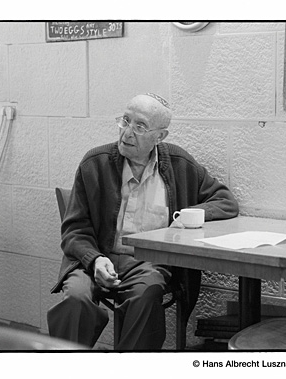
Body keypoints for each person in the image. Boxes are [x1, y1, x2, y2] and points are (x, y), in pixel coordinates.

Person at [47, 93, 239, 350]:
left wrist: (187, 218)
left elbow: (225, 201)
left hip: (146, 262)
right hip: (95, 258)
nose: (127, 133)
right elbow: (74, 230)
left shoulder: (178, 164)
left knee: (146, 293)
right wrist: (94, 259)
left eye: (140, 126)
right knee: (76, 298)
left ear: (160, 137)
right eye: (125, 121)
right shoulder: (95, 163)